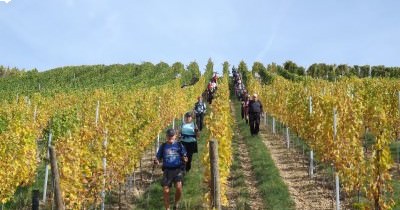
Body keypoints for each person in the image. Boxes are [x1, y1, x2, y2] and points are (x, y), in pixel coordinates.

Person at [155, 128, 188, 210]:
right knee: (166, 191)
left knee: (179, 187)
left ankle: (176, 204)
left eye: (172, 136)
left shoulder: (179, 145)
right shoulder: (163, 146)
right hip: (167, 170)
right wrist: (157, 161)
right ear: (166, 136)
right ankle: (168, 208)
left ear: (175, 136)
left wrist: (185, 159)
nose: (170, 137)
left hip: (177, 169)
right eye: (169, 136)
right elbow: (158, 157)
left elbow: (185, 156)